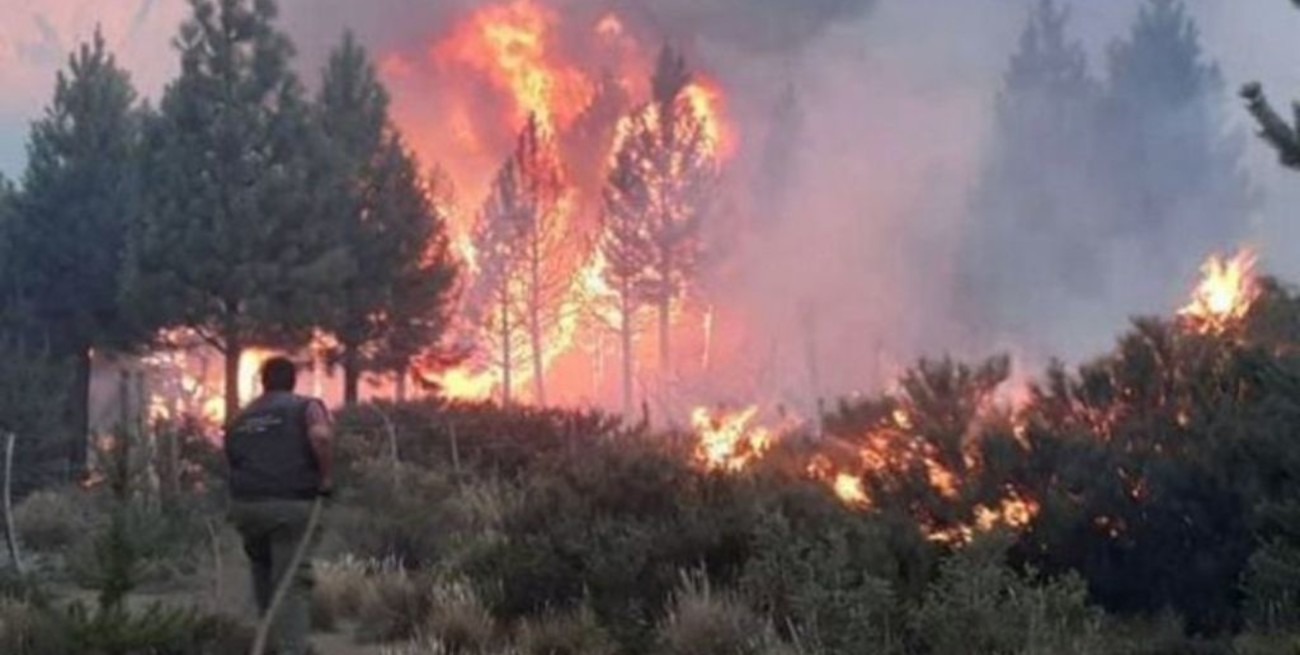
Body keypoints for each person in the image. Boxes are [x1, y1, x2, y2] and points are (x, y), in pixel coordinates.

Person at [225, 356, 333, 655]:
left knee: (263, 573)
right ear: (293, 380)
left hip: (246, 507)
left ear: (264, 381)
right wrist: (325, 479)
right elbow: (321, 438)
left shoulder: (241, 416)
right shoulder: (306, 406)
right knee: (292, 582)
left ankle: (268, 643)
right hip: (291, 505)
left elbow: (232, 458)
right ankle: (292, 649)